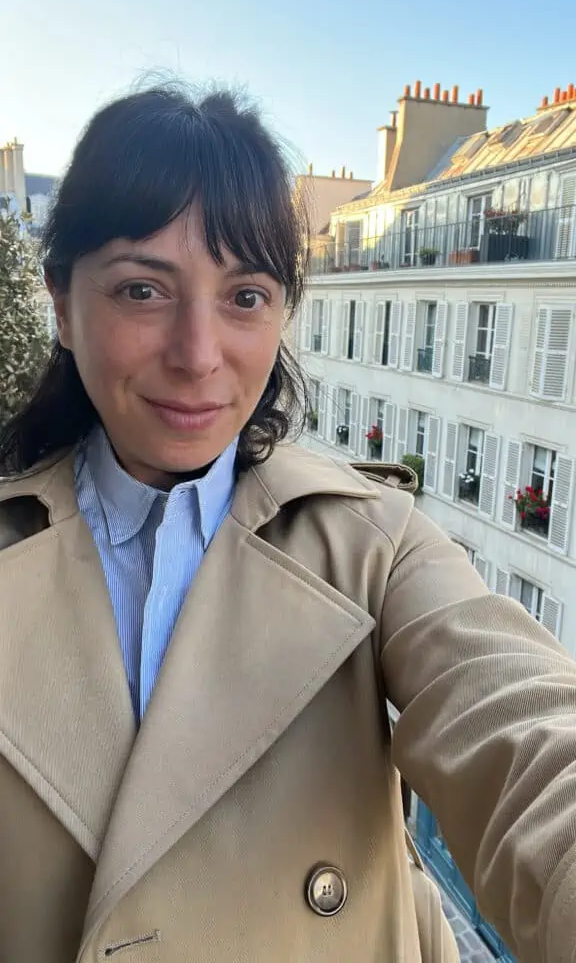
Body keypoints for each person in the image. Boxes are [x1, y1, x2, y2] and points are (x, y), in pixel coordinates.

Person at [0, 85, 575, 963]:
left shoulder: (375, 545)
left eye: (245, 297)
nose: (199, 355)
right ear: (61, 304)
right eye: (143, 288)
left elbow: (521, 730)